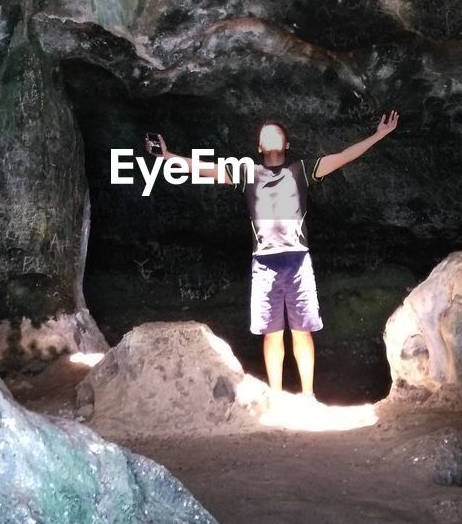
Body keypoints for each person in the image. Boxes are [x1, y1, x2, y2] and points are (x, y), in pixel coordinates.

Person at [144, 111, 400, 403]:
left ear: (286, 144)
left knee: (303, 331)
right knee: (272, 333)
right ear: (259, 148)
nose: (270, 135)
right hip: (264, 263)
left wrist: (379, 135)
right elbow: (206, 168)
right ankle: (277, 397)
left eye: (275, 132)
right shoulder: (248, 173)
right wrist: (167, 157)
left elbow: (343, 156)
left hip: (298, 260)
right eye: (265, 134)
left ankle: (307, 396)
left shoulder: (301, 171)